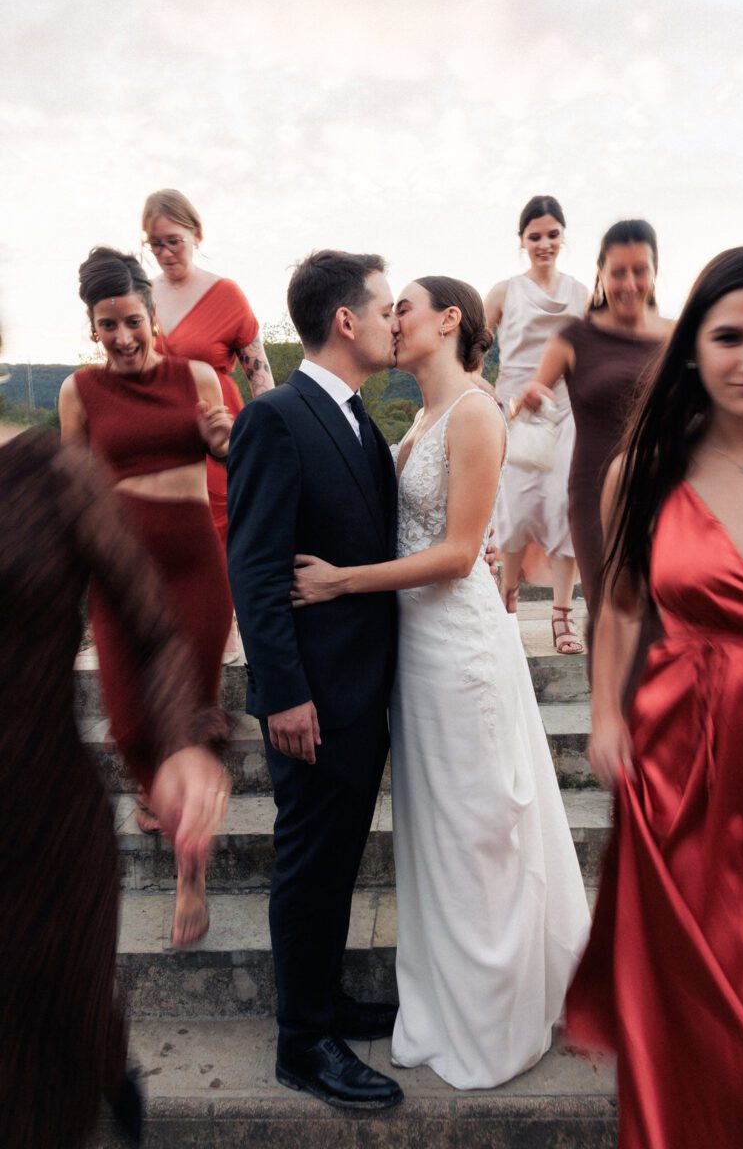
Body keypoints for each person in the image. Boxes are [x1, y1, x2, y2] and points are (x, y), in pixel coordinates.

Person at [292, 276, 591, 1089]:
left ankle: (492, 1018)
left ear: (448, 320)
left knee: (478, 830)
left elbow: (461, 554)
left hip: (460, 655)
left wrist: (342, 581)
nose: (391, 322)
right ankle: (445, 1002)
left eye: (403, 309)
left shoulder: (476, 413)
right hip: (413, 661)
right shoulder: (421, 415)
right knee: (436, 837)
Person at [566, 245, 743, 1148]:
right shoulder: (643, 472)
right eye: (730, 336)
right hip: (687, 753)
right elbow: (616, 609)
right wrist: (608, 716)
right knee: (700, 983)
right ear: (692, 348)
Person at [0, 421, 231, 1149]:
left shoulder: (52, 472)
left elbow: (154, 627)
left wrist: (177, 745)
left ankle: (99, 1061)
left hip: (44, 835)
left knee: (38, 1087)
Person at [227, 250, 404, 1110]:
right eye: (382, 308)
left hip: (361, 693)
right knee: (308, 865)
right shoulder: (277, 417)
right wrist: (285, 693)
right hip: (312, 699)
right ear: (345, 320)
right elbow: (255, 571)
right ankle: (302, 1041)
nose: (392, 322)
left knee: (335, 864)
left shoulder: (363, 422)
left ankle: (326, 999)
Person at [59, 247, 233, 947]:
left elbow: (231, 455)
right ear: (93, 329)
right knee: (131, 727)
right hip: (119, 578)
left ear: (153, 316)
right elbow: (73, 490)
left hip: (195, 571)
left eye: (133, 320)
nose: (123, 337)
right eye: (108, 326)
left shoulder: (196, 377)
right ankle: (153, 778)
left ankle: (192, 879)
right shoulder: (78, 392)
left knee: (188, 722)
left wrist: (224, 440)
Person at [142, 189, 274, 662]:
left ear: (196, 234)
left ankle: (226, 627)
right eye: (154, 244)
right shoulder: (144, 293)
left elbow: (261, 376)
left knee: (220, 525)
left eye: (173, 240)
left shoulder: (226, 293)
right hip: (161, 432)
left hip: (221, 431)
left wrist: (269, 439)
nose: (164, 253)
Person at [521, 219, 671, 627]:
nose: (628, 283)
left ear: (655, 272)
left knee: (668, 617)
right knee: (612, 619)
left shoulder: (675, 336)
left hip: (666, 493)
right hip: (594, 495)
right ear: (601, 273)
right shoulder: (574, 337)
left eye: (639, 270)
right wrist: (534, 396)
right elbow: (534, 390)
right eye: (617, 271)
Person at [484, 195, 588, 650]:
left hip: (566, 413)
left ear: (563, 236)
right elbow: (472, 349)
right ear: (522, 240)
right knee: (515, 512)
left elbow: (595, 351)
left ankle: (562, 616)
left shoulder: (582, 294)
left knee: (565, 511)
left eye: (552, 235)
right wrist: (485, 395)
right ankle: (507, 601)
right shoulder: (505, 292)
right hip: (515, 413)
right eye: (534, 236)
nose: (544, 244)